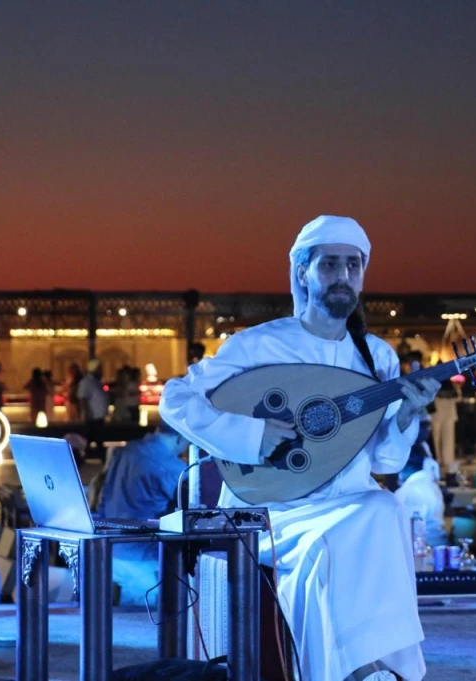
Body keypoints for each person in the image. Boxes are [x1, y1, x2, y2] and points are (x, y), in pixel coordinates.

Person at [160, 215, 440, 681]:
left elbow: (385, 460)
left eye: (353, 265)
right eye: (329, 264)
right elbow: (176, 398)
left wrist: (408, 414)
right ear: (302, 273)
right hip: (273, 508)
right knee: (354, 529)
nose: (343, 275)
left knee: (384, 508)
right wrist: (252, 437)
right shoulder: (259, 346)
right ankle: (362, 672)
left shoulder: (376, 357)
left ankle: (368, 670)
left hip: (349, 503)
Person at [97, 421, 189, 605]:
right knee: (147, 618)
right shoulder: (174, 468)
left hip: (110, 550)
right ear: (181, 438)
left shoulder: (123, 452)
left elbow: (103, 498)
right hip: (143, 559)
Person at [394, 416, 448, 548]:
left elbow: (413, 533)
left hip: (426, 549)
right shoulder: (428, 483)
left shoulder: (411, 491)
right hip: (435, 545)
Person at [78, 359, 109, 455]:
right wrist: (87, 413)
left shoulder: (96, 381)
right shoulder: (86, 382)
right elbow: (83, 398)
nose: (102, 371)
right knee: (91, 440)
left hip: (98, 418)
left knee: (97, 440)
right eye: (100, 369)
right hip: (92, 418)